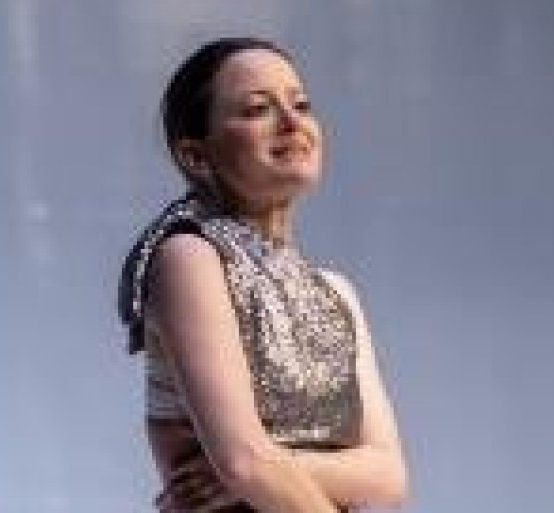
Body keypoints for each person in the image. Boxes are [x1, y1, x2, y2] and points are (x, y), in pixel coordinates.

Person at [118, 37, 408, 512]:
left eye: (301, 105)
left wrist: (282, 465)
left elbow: (388, 476)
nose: (292, 123)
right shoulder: (189, 257)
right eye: (258, 109)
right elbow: (245, 462)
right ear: (195, 156)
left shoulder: (337, 293)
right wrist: (259, 471)